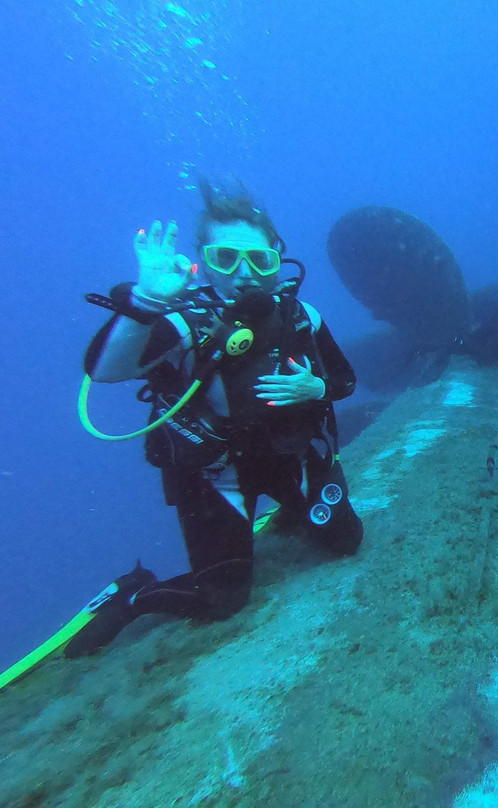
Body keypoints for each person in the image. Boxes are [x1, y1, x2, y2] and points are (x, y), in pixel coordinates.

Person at [69, 180, 363, 657]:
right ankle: (134, 594)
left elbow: (345, 381)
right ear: (203, 261)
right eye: (226, 259)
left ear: (277, 257)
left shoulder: (304, 316)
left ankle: (291, 509)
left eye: (259, 260)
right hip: (217, 473)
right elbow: (105, 371)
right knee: (223, 599)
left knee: (347, 542)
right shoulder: (186, 322)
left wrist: (317, 388)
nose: (244, 274)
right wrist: (145, 302)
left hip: (292, 458)